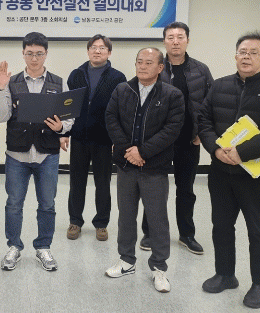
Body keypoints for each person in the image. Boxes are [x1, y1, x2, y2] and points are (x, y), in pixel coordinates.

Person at [198, 32, 260, 309]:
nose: (246, 57)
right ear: (235, 55)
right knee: (221, 226)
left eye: (253, 52)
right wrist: (216, 149)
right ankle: (225, 274)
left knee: (258, 230)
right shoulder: (219, 85)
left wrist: (241, 153)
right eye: (242, 51)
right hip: (220, 172)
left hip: (255, 175)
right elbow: (203, 120)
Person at [104, 47, 183, 293]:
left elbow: (172, 129)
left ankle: (159, 267)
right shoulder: (122, 90)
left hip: (155, 168)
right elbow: (111, 119)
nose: (142, 66)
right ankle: (126, 260)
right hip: (126, 165)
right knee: (126, 215)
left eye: (149, 62)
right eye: (139, 61)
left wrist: (143, 152)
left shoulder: (172, 94)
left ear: (160, 67)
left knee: (157, 218)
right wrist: (129, 151)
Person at [0, 32, 72, 272]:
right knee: (14, 204)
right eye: (30, 53)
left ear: (46, 54)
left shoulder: (59, 83)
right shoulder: (12, 82)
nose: (34, 58)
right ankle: (14, 247)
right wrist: (0, 88)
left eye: (39, 53)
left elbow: (69, 117)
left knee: (47, 204)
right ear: (23, 54)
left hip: (47, 153)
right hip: (17, 154)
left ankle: (43, 247)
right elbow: (2, 116)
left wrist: (61, 128)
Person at [139, 22, 213, 255]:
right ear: (164, 41)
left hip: (189, 140)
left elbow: (209, 105)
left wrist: (201, 133)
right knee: (154, 188)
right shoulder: (155, 67)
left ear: (187, 40)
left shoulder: (201, 70)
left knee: (186, 189)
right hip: (158, 141)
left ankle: (186, 234)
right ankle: (150, 232)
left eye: (180, 37)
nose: (175, 41)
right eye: (170, 37)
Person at [66, 34, 126, 242]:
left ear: (109, 52)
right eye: (93, 47)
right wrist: (64, 134)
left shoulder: (118, 77)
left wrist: (118, 139)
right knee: (76, 181)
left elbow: (121, 110)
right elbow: (68, 107)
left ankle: (101, 223)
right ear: (88, 50)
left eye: (102, 48)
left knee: (103, 182)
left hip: (104, 139)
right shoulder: (76, 75)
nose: (97, 51)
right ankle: (75, 221)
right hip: (79, 137)